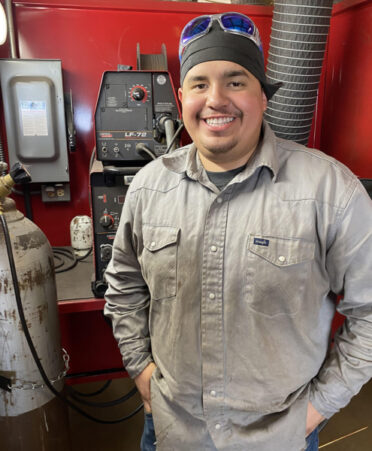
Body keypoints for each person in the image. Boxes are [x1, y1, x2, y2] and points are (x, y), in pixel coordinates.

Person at [104, 12, 372, 451]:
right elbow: (124, 286)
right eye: (199, 84)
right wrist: (141, 371)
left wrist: (319, 406)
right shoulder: (149, 188)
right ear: (181, 97)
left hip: (278, 436)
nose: (216, 100)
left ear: (263, 96)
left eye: (235, 81)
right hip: (172, 429)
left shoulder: (330, 192)